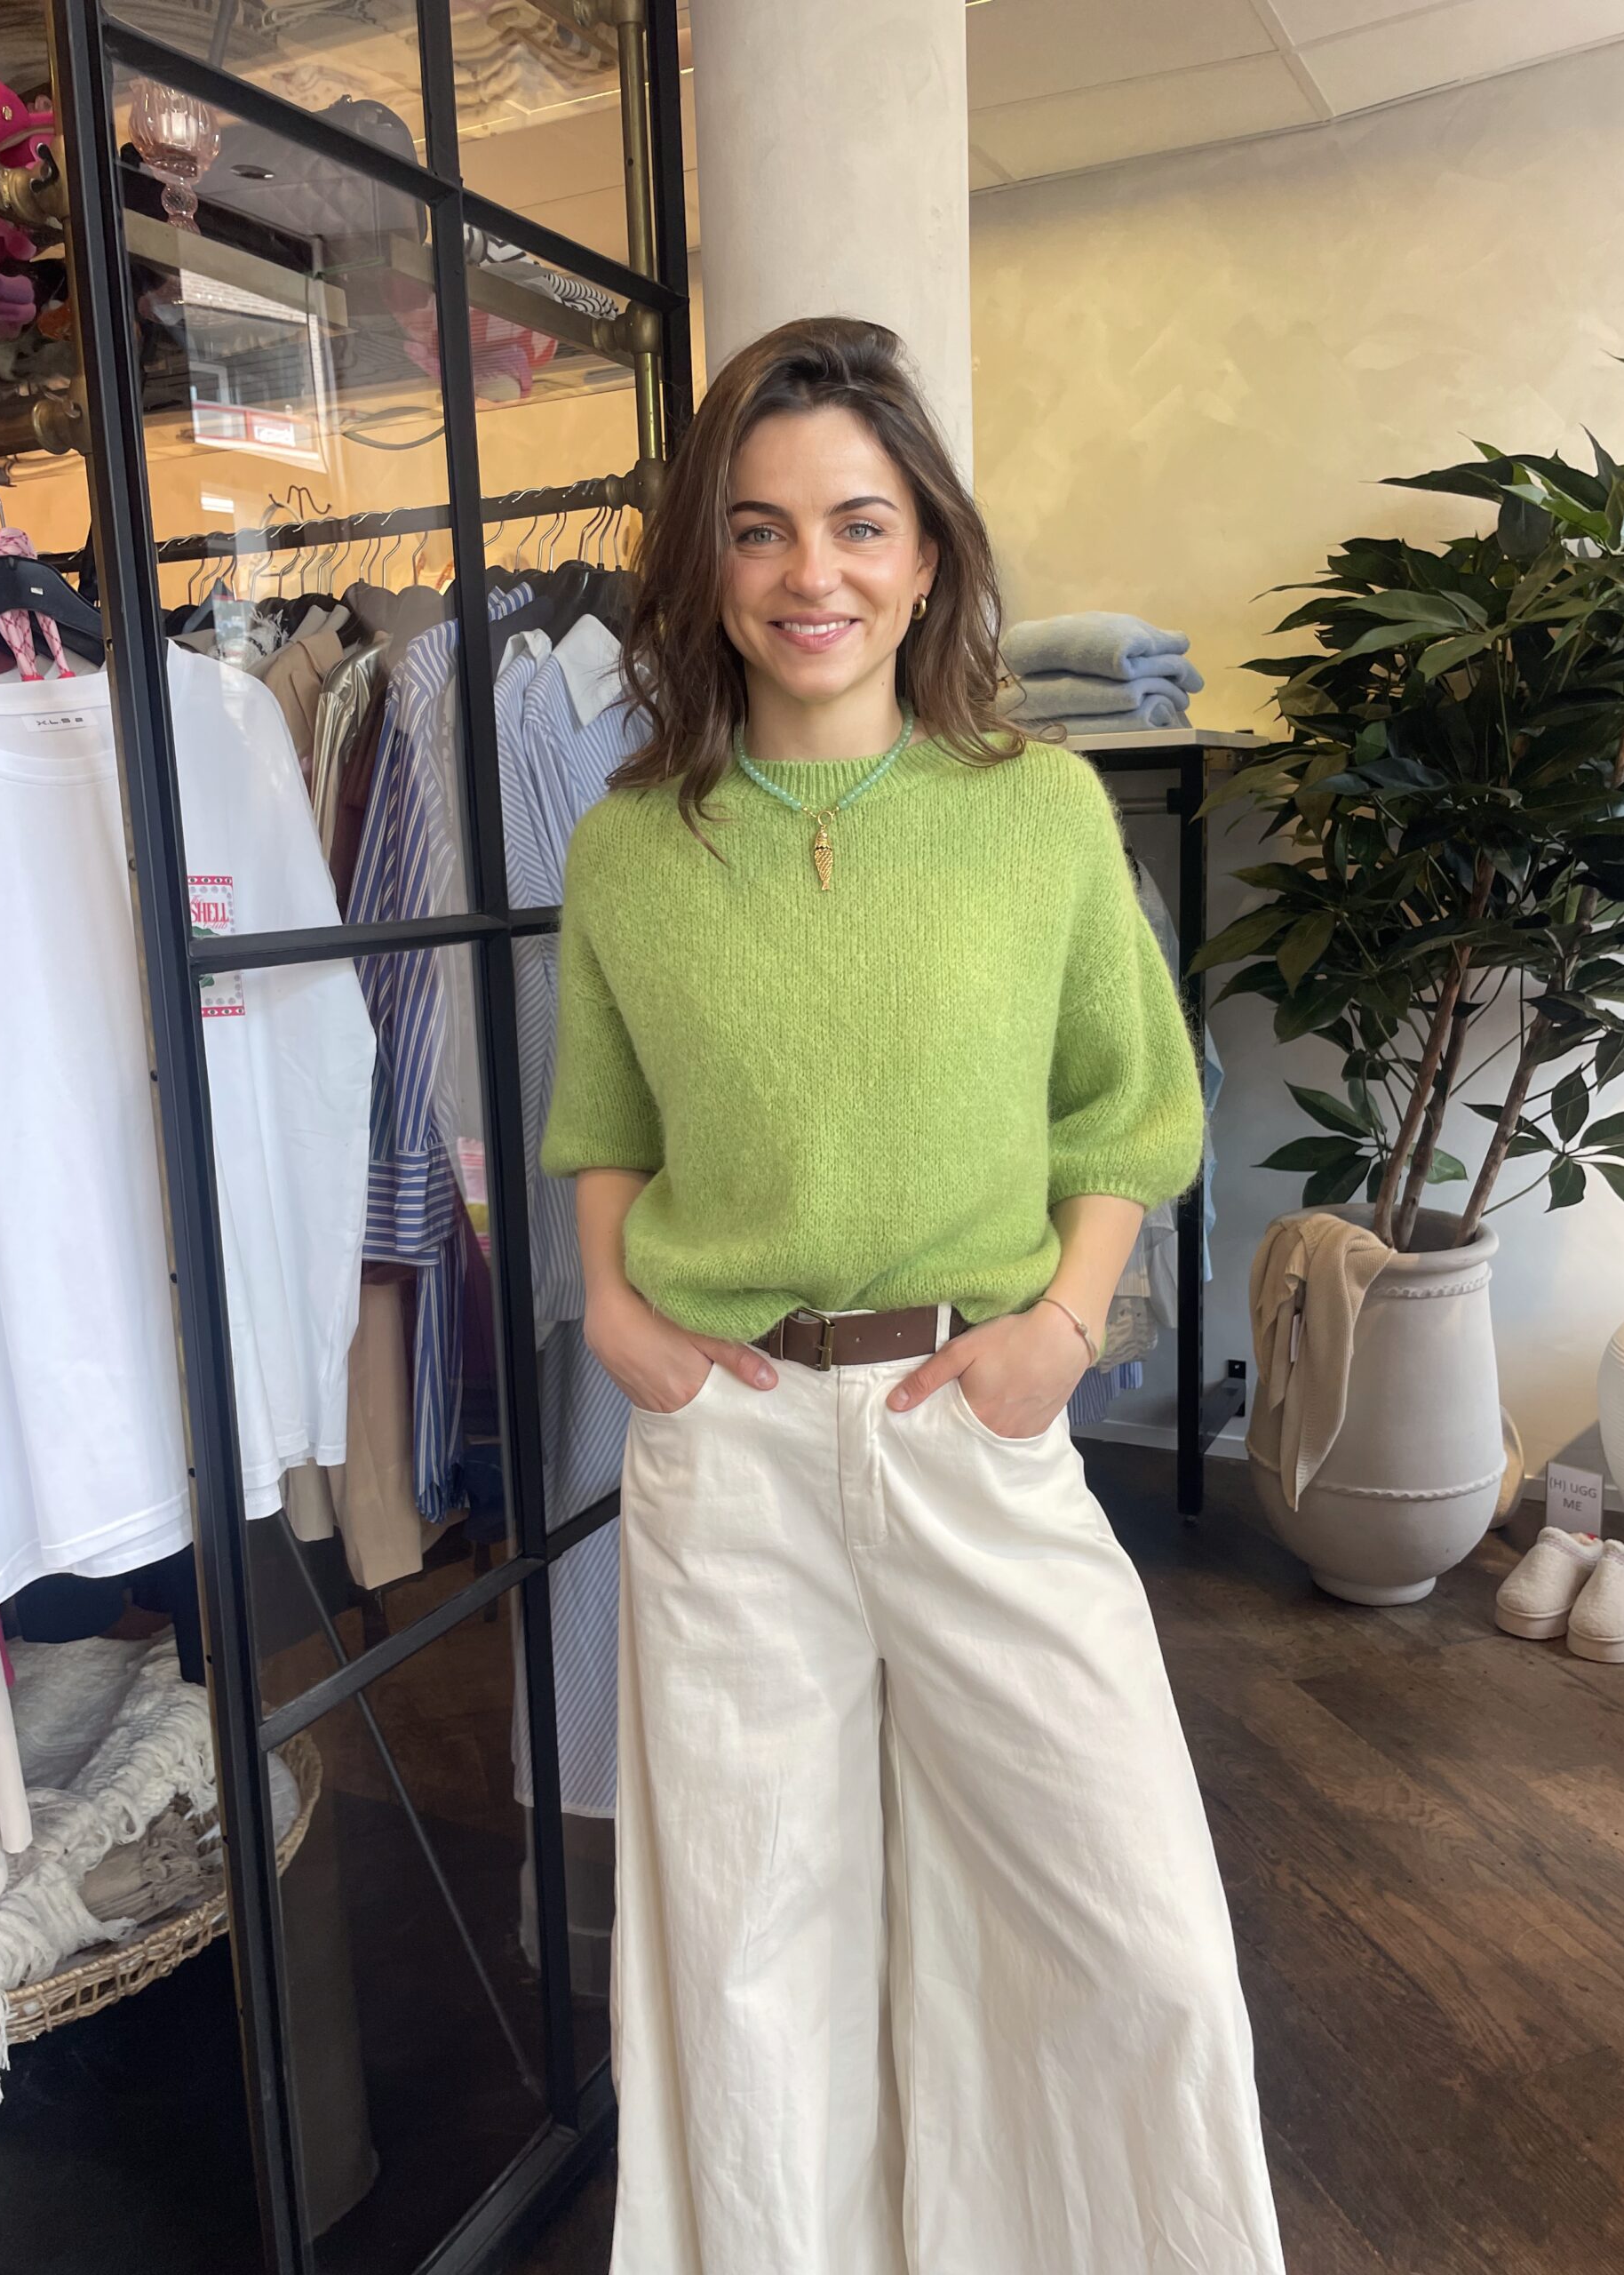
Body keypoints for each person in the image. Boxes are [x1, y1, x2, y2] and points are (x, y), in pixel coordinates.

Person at [542, 315, 1286, 2275]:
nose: (814, 575)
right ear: (709, 560)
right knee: (752, 1957)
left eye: (859, 524)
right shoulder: (630, 847)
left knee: (1135, 1928)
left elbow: (1131, 1107)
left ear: (929, 550)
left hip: (972, 1421)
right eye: (761, 528)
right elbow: (603, 1119)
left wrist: (1065, 1330)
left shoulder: (1036, 810)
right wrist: (614, 1310)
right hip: (730, 1447)